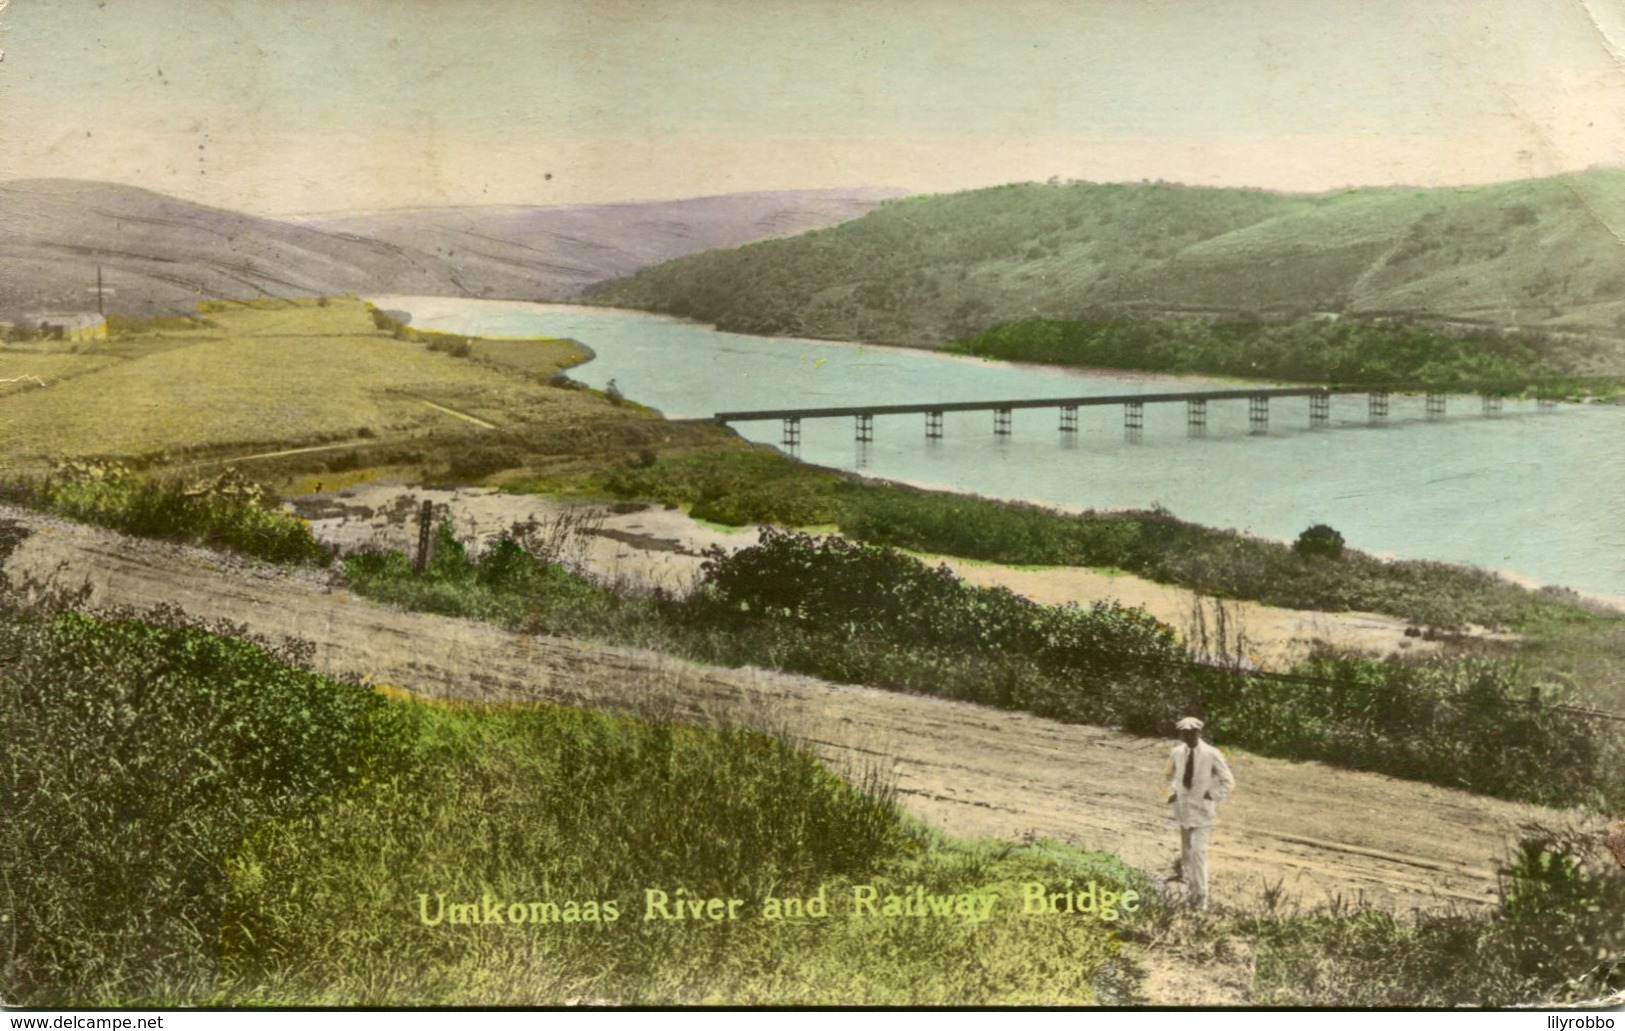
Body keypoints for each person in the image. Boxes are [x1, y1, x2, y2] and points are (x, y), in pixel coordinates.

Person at [1164, 715, 1235, 910]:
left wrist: (1212, 794)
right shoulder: (1177, 752)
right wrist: (1173, 792)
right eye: (1184, 733)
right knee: (1187, 854)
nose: (1188, 737)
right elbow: (1169, 774)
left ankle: (1202, 898)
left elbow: (1228, 781)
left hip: (1203, 812)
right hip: (1184, 810)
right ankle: (1191, 895)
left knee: (1198, 852)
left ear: (1199, 732)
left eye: (1192, 733)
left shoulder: (1211, 754)